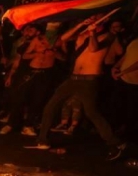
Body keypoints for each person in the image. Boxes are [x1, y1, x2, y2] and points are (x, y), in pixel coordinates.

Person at [28, 15, 128, 161]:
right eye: (93, 17)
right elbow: (62, 39)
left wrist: (92, 32)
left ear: (105, 20)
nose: (94, 19)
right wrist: (80, 25)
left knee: (91, 112)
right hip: (73, 78)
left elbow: (93, 49)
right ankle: (42, 139)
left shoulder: (109, 36)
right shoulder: (82, 33)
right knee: (51, 105)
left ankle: (115, 143)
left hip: (89, 80)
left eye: (98, 17)